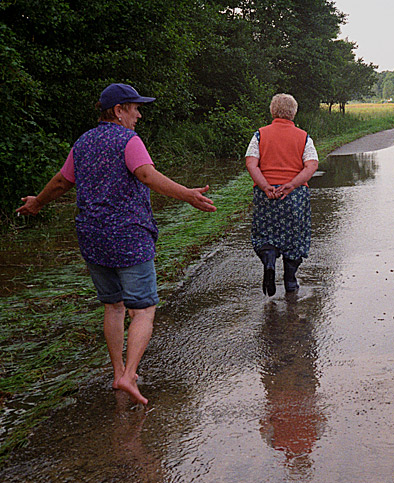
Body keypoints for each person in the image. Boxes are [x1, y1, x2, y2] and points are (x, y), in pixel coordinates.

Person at [16, 83, 216, 405]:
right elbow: (147, 176)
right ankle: (129, 375)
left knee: (113, 306)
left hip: (92, 236)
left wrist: (37, 203)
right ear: (119, 110)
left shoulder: (83, 142)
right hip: (129, 237)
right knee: (144, 308)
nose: (138, 114)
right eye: (134, 108)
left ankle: (118, 372)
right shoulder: (129, 140)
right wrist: (188, 195)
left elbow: (61, 182)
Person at [245, 93, 318, 297]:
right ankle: (290, 280)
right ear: (293, 113)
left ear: (272, 111)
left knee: (265, 234)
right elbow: (311, 164)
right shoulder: (303, 137)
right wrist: (292, 184)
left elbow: (251, 162)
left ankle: (269, 261)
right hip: (294, 195)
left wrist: (265, 186)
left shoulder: (260, 134)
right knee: (295, 238)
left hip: (265, 194)